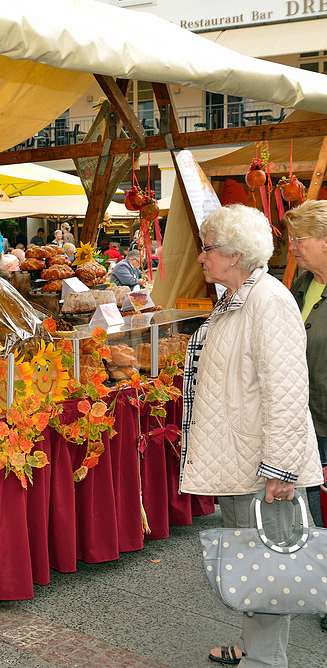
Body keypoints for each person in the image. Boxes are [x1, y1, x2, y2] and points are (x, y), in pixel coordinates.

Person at [179, 205, 323, 667]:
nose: (201, 258)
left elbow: (287, 390)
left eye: (208, 249)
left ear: (236, 254)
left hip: (262, 467)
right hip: (242, 460)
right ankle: (257, 653)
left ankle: (266, 662)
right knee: (254, 563)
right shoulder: (242, 296)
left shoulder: (268, 300)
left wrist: (280, 467)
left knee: (267, 568)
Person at [283, 200, 327, 531]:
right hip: (304, 415)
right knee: (316, 506)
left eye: (300, 238)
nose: (293, 246)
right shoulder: (302, 284)